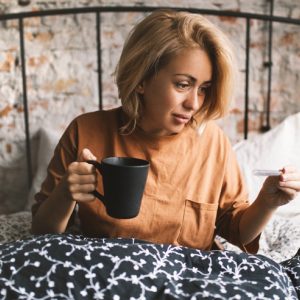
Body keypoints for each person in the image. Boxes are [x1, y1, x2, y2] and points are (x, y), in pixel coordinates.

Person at [31, 9, 300, 253]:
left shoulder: (212, 142)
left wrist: (267, 202)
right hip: (110, 274)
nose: (194, 103)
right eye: (183, 84)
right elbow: (42, 233)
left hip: (190, 280)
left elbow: (236, 229)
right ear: (141, 80)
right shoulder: (86, 131)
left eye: (204, 88)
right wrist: (65, 194)